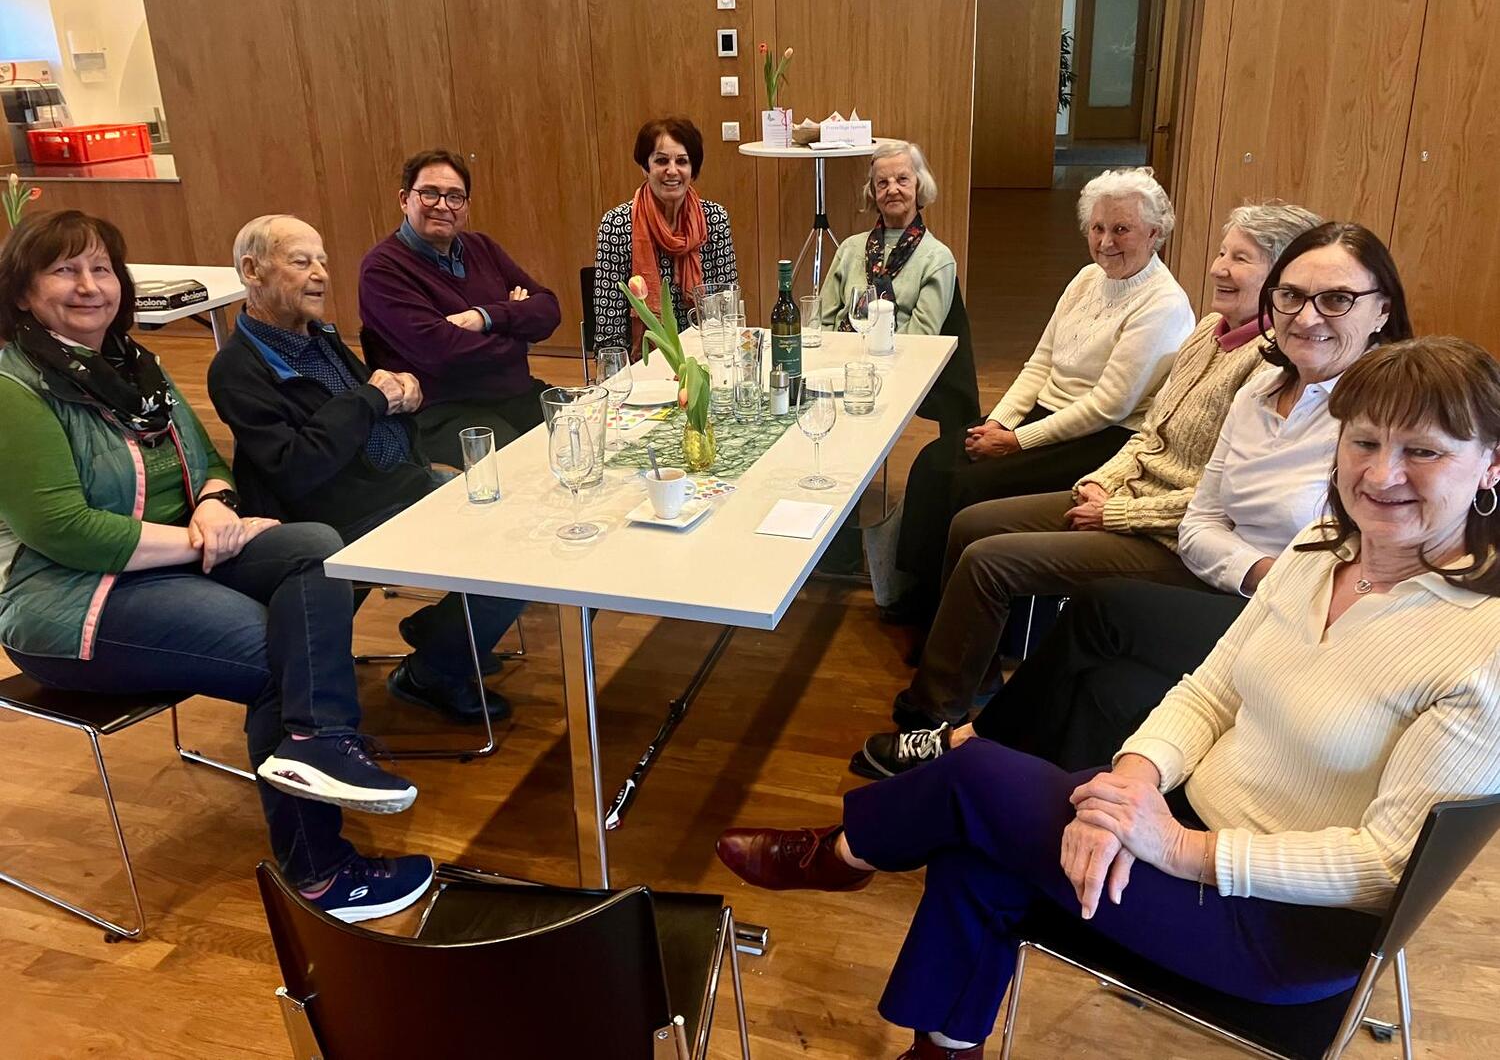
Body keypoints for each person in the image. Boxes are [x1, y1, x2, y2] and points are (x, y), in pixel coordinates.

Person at [717, 335, 1500, 1060]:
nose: (1380, 474)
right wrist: (1131, 784)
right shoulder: (1316, 553)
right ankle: (940, 1048)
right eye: (1363, 441)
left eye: (1422, 451)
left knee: (976, 777)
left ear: (1491, 464)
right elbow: (1210, 691)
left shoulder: (1480, 645)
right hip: (1181, 819)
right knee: (975, 845)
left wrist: (1181, 849)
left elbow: (1385, 865)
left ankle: (847, 852)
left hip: (1280, 920)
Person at [0, 211, 432, 922]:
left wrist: (214, 502)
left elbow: (209, 460)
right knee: (278, 654)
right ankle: (322, 875)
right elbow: (65, 531)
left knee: (315, 545)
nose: (89, 286)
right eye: (64, 271)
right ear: (22, 290)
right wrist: (203, 541)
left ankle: (318, 741)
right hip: (74, 597)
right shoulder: (15, 389)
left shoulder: (134, 365)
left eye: (101, 269)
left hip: (173, 559)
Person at [871, 220, 1414, 748]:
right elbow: (1162, 444)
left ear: (1382, 309)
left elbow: (1330, 559)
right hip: (1164, 513)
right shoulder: (1256, 382)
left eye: (1336, 300)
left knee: (1002, 561)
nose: (1220, 269)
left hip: (1188, 547)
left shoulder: (1377, 423)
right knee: (969, 518)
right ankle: (972, 685)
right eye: (1292, 296)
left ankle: (943, 719)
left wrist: (1118, 513)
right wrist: (1101, 484)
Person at [208, 214, 525, 725]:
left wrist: (401, 391)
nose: (320, 274)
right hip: (341, 517)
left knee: (520, 523)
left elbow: (362, 403)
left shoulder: (317, 336)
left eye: (322, 261)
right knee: (514, 551)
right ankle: (434, 671)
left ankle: (443, 636)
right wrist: (371, 398)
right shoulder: (237, 369)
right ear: (252, 270)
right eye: (301, 262)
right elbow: (296, 468)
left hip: (396, 485)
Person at [889, 168, 1195, 624]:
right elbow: (1040, 362)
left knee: (972, 486)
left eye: (1121, 229)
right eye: (1097, 228)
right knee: (934, 461)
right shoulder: (1086, 279)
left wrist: (1016, 441)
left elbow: (1109, 405)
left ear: (1155, 233)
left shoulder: (1163, 304)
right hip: (1045, 415)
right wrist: (999, 421)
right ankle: (919, 590)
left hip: (1102, 436)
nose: (1105, 241)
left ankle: (952, 612)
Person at [359, 148, 560, 467]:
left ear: (466, 206)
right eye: (429, 193)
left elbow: (549, 309)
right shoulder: (382, 270)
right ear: (404, 199)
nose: (443, 205)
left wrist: (486, 317)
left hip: (514, 394)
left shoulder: (481, 247)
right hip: (444, 412)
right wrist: (519, 337)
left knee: (584, 429)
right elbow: (444, 352)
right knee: (520, 465)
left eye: (455, 197)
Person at [593, 117, 737, 355]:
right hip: (642, 360)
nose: (672, 170)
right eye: (661, 161)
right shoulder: (617, 225)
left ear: (693, 170)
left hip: (706, 354)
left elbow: (727, 310)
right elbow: (610, 332)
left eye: (682, 161)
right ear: (645, 167)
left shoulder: (714, 219)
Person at [817, 141, 956, 336]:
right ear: (873, 193)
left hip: (904, 355)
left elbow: (922, 337)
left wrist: (873, 351)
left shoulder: (937, 258)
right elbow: (819, 321)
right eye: (882, 183)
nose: (892, 190)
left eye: (902, 180)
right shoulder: (849, 248)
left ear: (919, 185)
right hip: (838, 353)